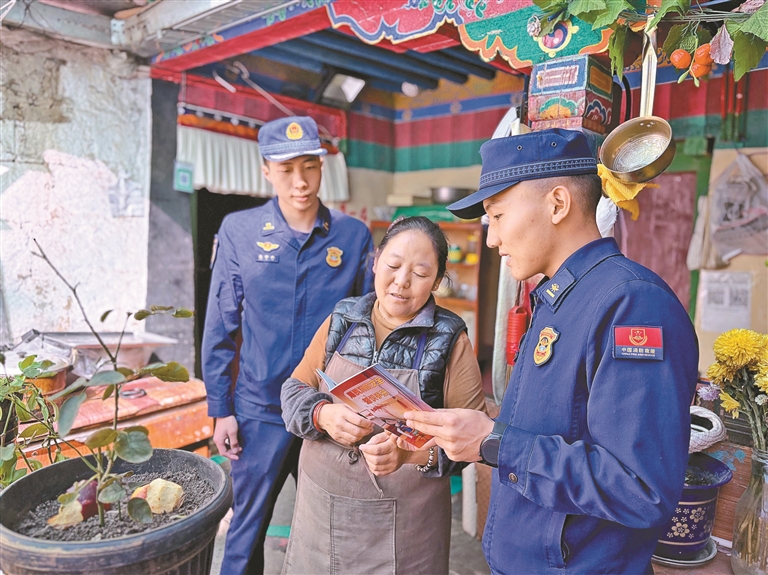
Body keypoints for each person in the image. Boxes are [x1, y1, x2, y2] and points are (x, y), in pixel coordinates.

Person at [404, 129, 699, 575]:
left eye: (498, 215)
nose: (490, 239)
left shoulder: (631, 304)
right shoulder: (556, 298)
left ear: (557, 204)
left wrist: (496, 442)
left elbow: (640, 489)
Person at [201, 116, 374, 574]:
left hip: (330, 408)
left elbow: (371, 328)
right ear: (265, 171)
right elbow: (220, 325)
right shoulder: (240, 231)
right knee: (246, 530)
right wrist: (221, 409)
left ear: (322, 165)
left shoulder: (352, 237)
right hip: (261, 409)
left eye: (309, 166)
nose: (299, 182)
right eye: (285, 169)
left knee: (340, 527)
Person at [280, 216, 487, 575]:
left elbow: (472, 442)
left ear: (437, 281)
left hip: (405, 524)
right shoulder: (342, 319)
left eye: (421, 274)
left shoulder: (449, 339)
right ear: (376, 261)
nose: (401, 282)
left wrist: (411, 455)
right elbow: (293, 389)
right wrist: (322, 416)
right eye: (392, 265)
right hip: (320, 505)